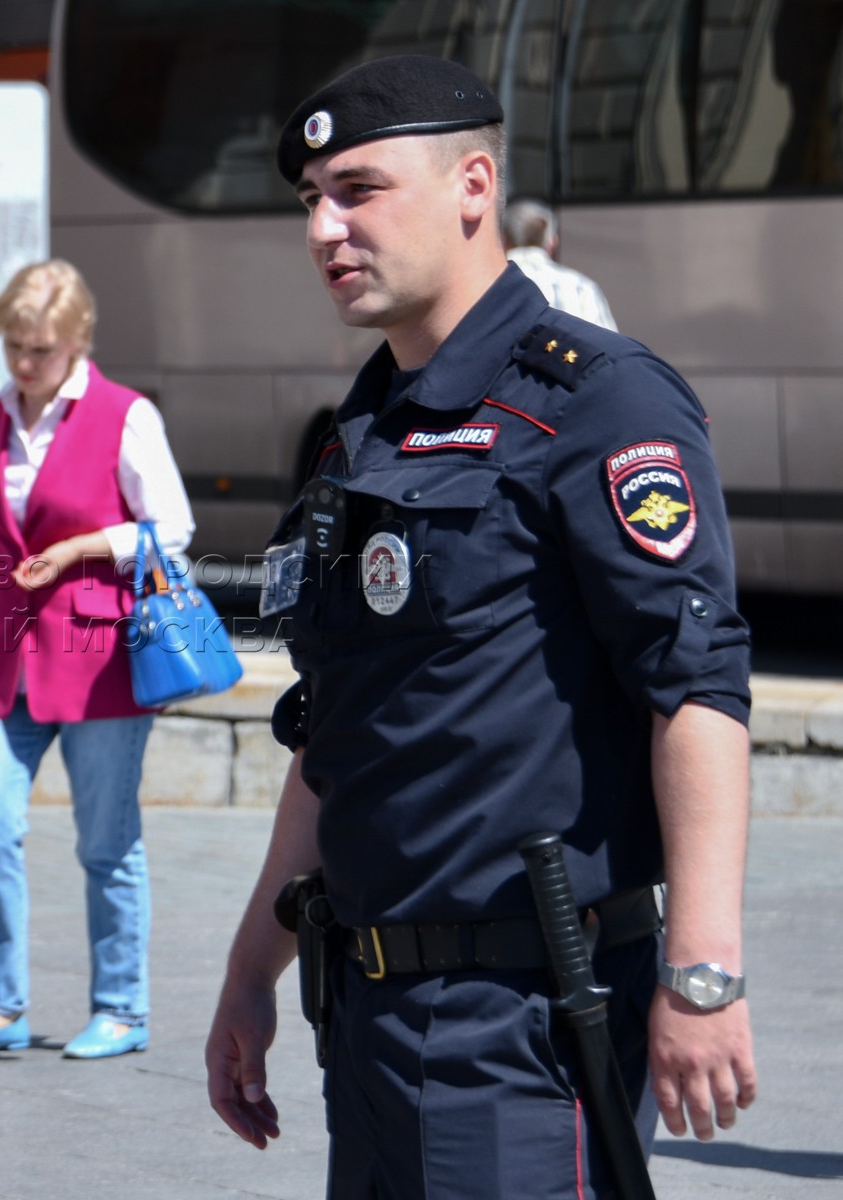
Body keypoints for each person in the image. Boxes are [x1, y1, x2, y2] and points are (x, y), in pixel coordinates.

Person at [204, 56, 757, 1197]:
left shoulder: (596, 399)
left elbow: (694, 690)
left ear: (472, 184)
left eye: (357, 189)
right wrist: (252, 964)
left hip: (525, 1022)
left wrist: (701, 974)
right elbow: (339, 723)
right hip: (362, 1013)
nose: (324, 226)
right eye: (310, 197)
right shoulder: (362, 429)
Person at [0, 259, 195, 1060]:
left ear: (78, 340)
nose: (23, 363)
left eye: (40, 348)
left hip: (98, 653)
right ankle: (0, 1006)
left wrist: (83, 546)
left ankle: (122, 1008)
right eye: (13, 345)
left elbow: (172, 530)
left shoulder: (125, 415)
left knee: (106, 842)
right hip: (5, 653)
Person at [503, 196, 619, 330]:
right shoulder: (581, 287)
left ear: (503, 239)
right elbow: (607, 345)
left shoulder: (489, 284)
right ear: (553, 242)